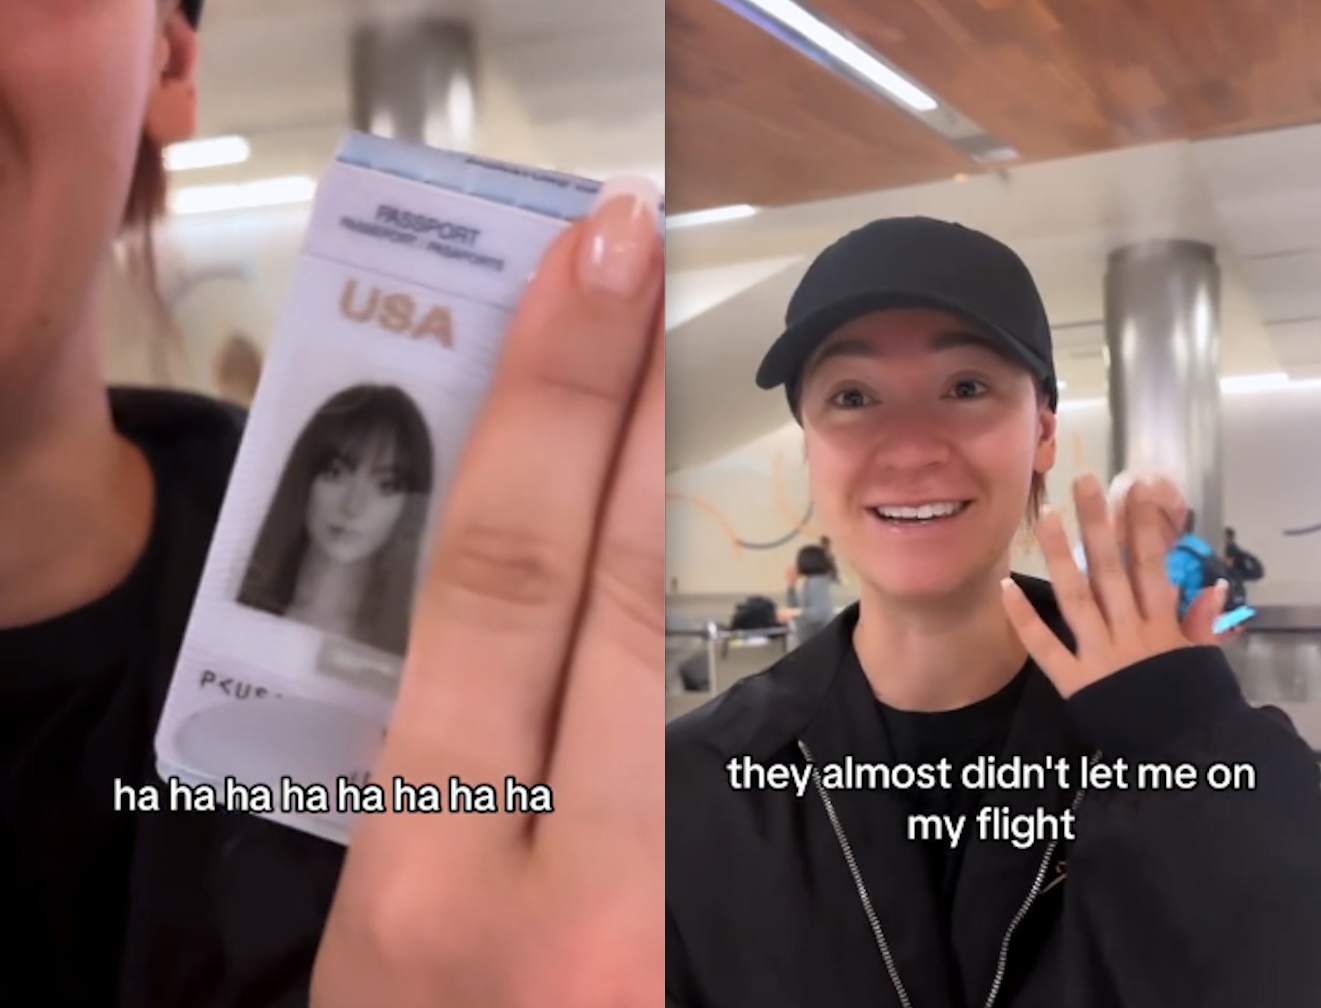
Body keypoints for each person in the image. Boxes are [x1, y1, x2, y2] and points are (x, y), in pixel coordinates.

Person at [1, 2, 663, 1003]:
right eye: (345, 469)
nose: (355, 502)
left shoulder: (487, 738)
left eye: (385, 479)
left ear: (167, 62)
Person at [666, 217, 1321, 1007]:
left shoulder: (1182, 743)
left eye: (965, 388)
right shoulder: (694, 789)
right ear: (809, 441)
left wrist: (1189, 749)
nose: (909, 448)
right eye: (851, 396)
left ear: (1041, 430)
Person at [238, 384, 434, 657]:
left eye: (386, 486)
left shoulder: (412, 649)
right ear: (305, 479)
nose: (353, 506)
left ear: (410, 504)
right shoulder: (240, 603)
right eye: (335, 473)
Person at [781, 543, 836, 644]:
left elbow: (820, 614)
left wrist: (794, 612)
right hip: (808, 641)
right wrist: (791, 586)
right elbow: (794, 607)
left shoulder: (817, 582)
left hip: (818, 643)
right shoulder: (810, 582)